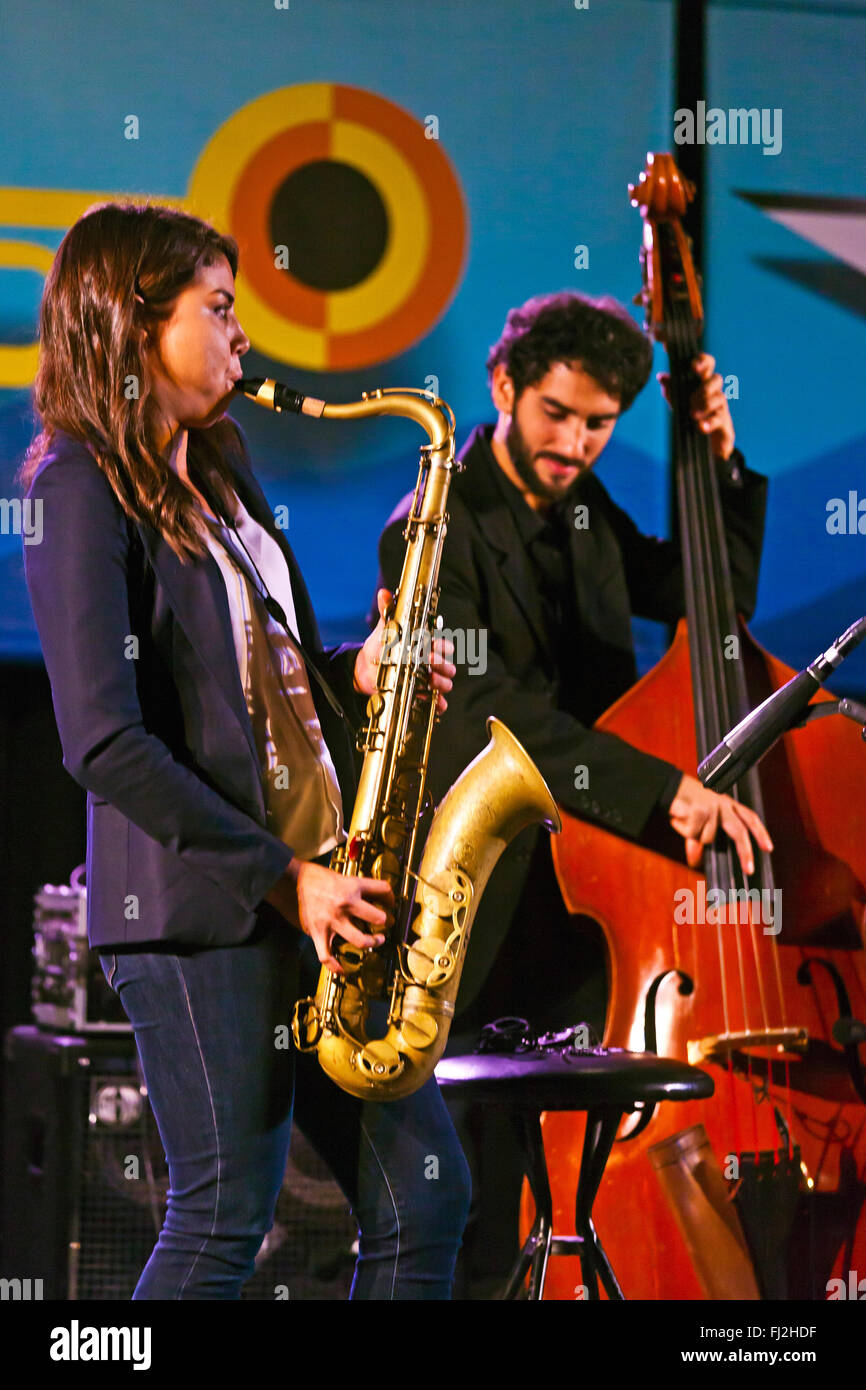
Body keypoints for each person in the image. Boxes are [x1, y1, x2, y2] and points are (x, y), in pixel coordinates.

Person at [20, 201, 469, 1301]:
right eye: (217, 309)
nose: (241, 336)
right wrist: (285, 880)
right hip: (209, 911)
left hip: (314, 887)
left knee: (427, 1195)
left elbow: (248, 666)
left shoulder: (215, 465)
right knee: (223, 1217)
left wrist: (353, 669)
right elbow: (103, 739)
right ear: (133, 324)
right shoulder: (74, 488)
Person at [373, 288, 772, 1043]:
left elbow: (712, 600)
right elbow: (483, 711)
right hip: (483, 902)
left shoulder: (584, 505)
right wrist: (666, 792)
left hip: (596, 885)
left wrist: (719, 463)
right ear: (504, 388)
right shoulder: (430, 529)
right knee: (477, 1150)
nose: (576, 442)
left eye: (598, 424)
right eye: (556, 413)